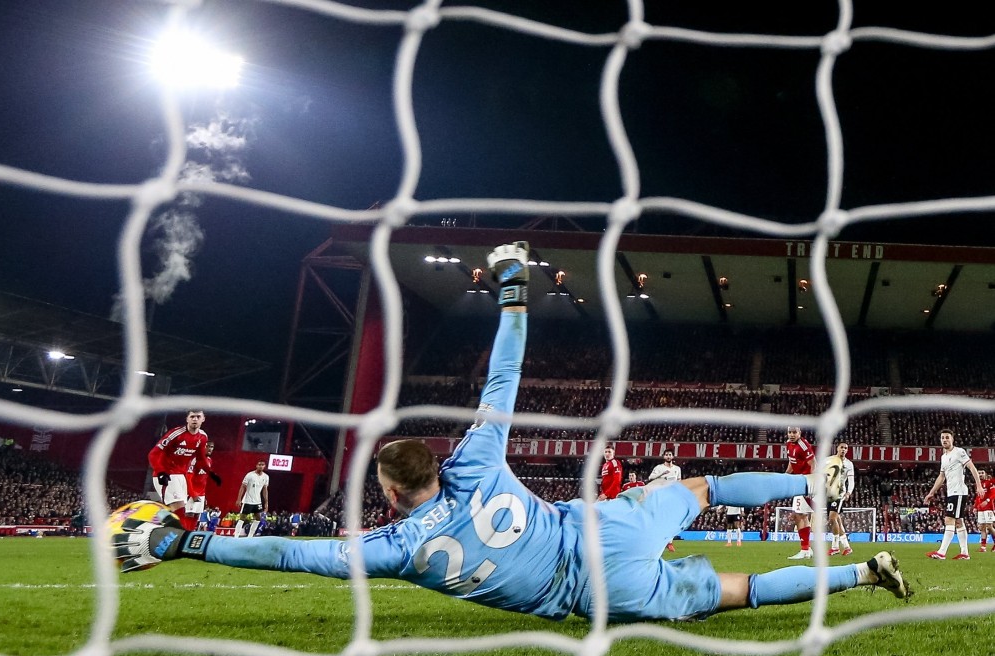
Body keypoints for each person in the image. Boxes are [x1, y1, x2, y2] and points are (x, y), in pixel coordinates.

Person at [112, 241, 911, 624]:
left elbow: (287, 550)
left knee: (738, 594)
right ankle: (813, 482)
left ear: (390, 491)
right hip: (602, 526)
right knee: (704, 487)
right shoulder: (479, 459)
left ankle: (864, 576)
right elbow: (503, 379)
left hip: (595, 590)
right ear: (439, 462)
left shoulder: (395, 549)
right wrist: (513, 289)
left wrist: (186, 542)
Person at [924, 428, 984, 560]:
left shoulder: (959, 452)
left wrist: (978, 485)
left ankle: (942, 552)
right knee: (958, 522)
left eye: (947, 437)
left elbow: (972, 468)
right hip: (952, 492)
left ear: (952, 439)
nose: (945, 440)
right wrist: (931, 493)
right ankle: (964, 553)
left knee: (949, 519)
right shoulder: (943, 457)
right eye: (943, 438)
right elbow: (941, 476)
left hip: (959, 492)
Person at [147, 410, 214, 525]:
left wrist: (210, 473)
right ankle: (180, 538)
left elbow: (200, 458)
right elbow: (153, 454)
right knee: (179, 509)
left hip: (181, 476)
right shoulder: (176, 434)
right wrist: (160, 472)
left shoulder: (203, 437)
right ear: (187, 419)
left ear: (203, 419)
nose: (195, 419)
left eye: (198, 417)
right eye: (192, 416)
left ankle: (153, 523)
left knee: (175, 511)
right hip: (167, 474)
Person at [784, 426, 816, 560]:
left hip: (805, 482)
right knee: (802, 516)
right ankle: (807, 549)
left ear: (799, 433)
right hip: (798, 481)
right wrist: (785, 476)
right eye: (790, 432)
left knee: (799, 515)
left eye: (794, 432)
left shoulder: (803, 445)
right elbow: (792, 463)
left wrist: (812, 481)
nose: (792, 435)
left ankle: (805, 549)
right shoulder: (788, 444)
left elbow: (813, 463)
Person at [649, 450, 683, 552]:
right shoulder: (659, 468)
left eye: (670, 455)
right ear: (664, 456)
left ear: (673, 456)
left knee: (673, 519)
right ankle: (657, 540)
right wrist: (662, 474)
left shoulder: (677, 469)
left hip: (672, 496)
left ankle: (669, 542)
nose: (668, 456)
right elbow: (650, 478)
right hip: (661, 495)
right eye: (666, 455)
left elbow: (679, 482)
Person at [827, 442, 855, 557]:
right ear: (837, 449)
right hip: (829, 493)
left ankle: (835, 547)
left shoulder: (849, 464)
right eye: (841, 447)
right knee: (837, 521)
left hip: (839, 494)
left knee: (832, 519)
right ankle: (847, 547)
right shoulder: (829, 460)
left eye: (845, 448)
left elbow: (851, 481)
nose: (843, 449)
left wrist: (849, 492)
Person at [184, 442, 220, 532]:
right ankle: (184, 534)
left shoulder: (209, 460)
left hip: (201, 494)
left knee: (197, 515)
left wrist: (204, 496)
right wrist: (192, 494)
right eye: (207, 446)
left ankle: (191, 534)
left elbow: (204, 479)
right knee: (189, 514)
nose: (210, 448)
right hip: (191, 493)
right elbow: (188, 478)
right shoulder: (195, 459)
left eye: (212, 447)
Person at [236, 460, 269, 538]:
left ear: (264, 466)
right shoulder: (250, 475)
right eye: (259, 464)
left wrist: (266, 502)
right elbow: (243, 487)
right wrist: (239, 499)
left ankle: (250, 536)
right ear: (256, 465)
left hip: (257, 501)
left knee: (258, 518)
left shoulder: (266, 477)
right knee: (242, 518)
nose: (261, 466)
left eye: (262, 465)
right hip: (248, 500)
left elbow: (265, 490)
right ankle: (236, 536)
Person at [975, 469, 995, 553]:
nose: (980, 475)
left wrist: (987, 501)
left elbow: (993, 494)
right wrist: (975, 506)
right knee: (982, 527)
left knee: (989, 526)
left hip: (989, 507)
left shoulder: (990, 482)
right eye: (979, 473)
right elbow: (978, 496)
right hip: (980, 509)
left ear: (985, 474)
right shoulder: (978, 484)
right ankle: (983, 547)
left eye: (982, 473)